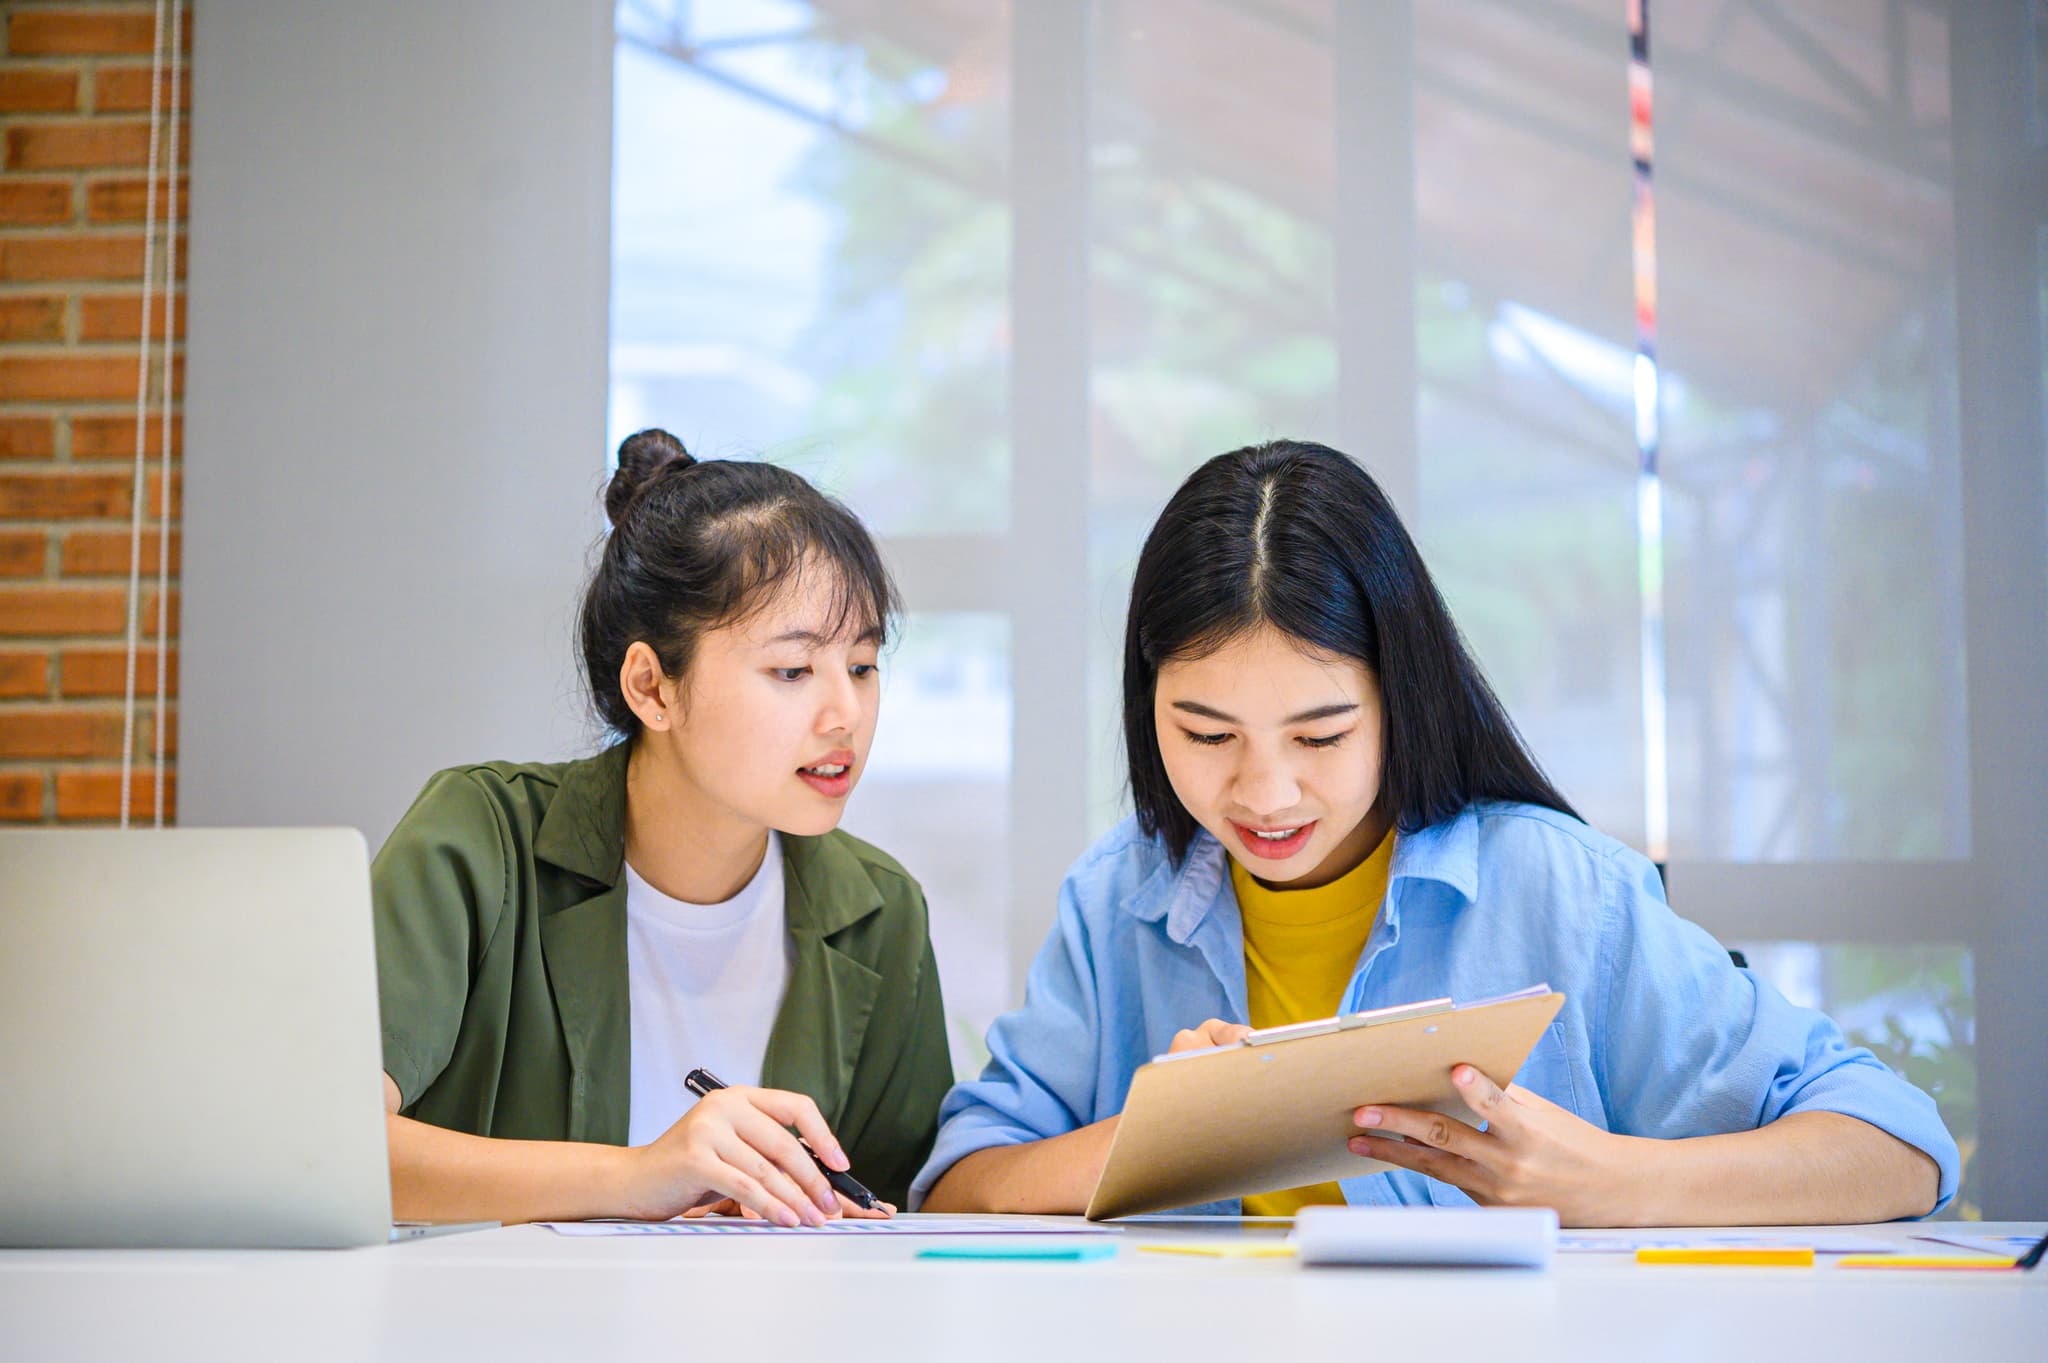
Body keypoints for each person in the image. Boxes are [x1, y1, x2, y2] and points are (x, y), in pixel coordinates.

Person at [916, 439, 1957, 1224]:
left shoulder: (1559, 889)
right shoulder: (1118, 900)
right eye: (1205, 731)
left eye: (1319, 734)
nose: (1262, 792)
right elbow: (958, 1182)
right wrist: (1162, 1136)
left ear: (1400, 698)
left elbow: (1898, 1144)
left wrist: (1607, 1180)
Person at [374, 429, 953, 1227]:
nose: (845, 714)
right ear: (652, 687)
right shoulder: (478, 842)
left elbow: (903, 1214)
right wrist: (644, 1176)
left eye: (861, 665)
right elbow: (330, 1150)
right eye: (792, 670)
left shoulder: (882, 914)